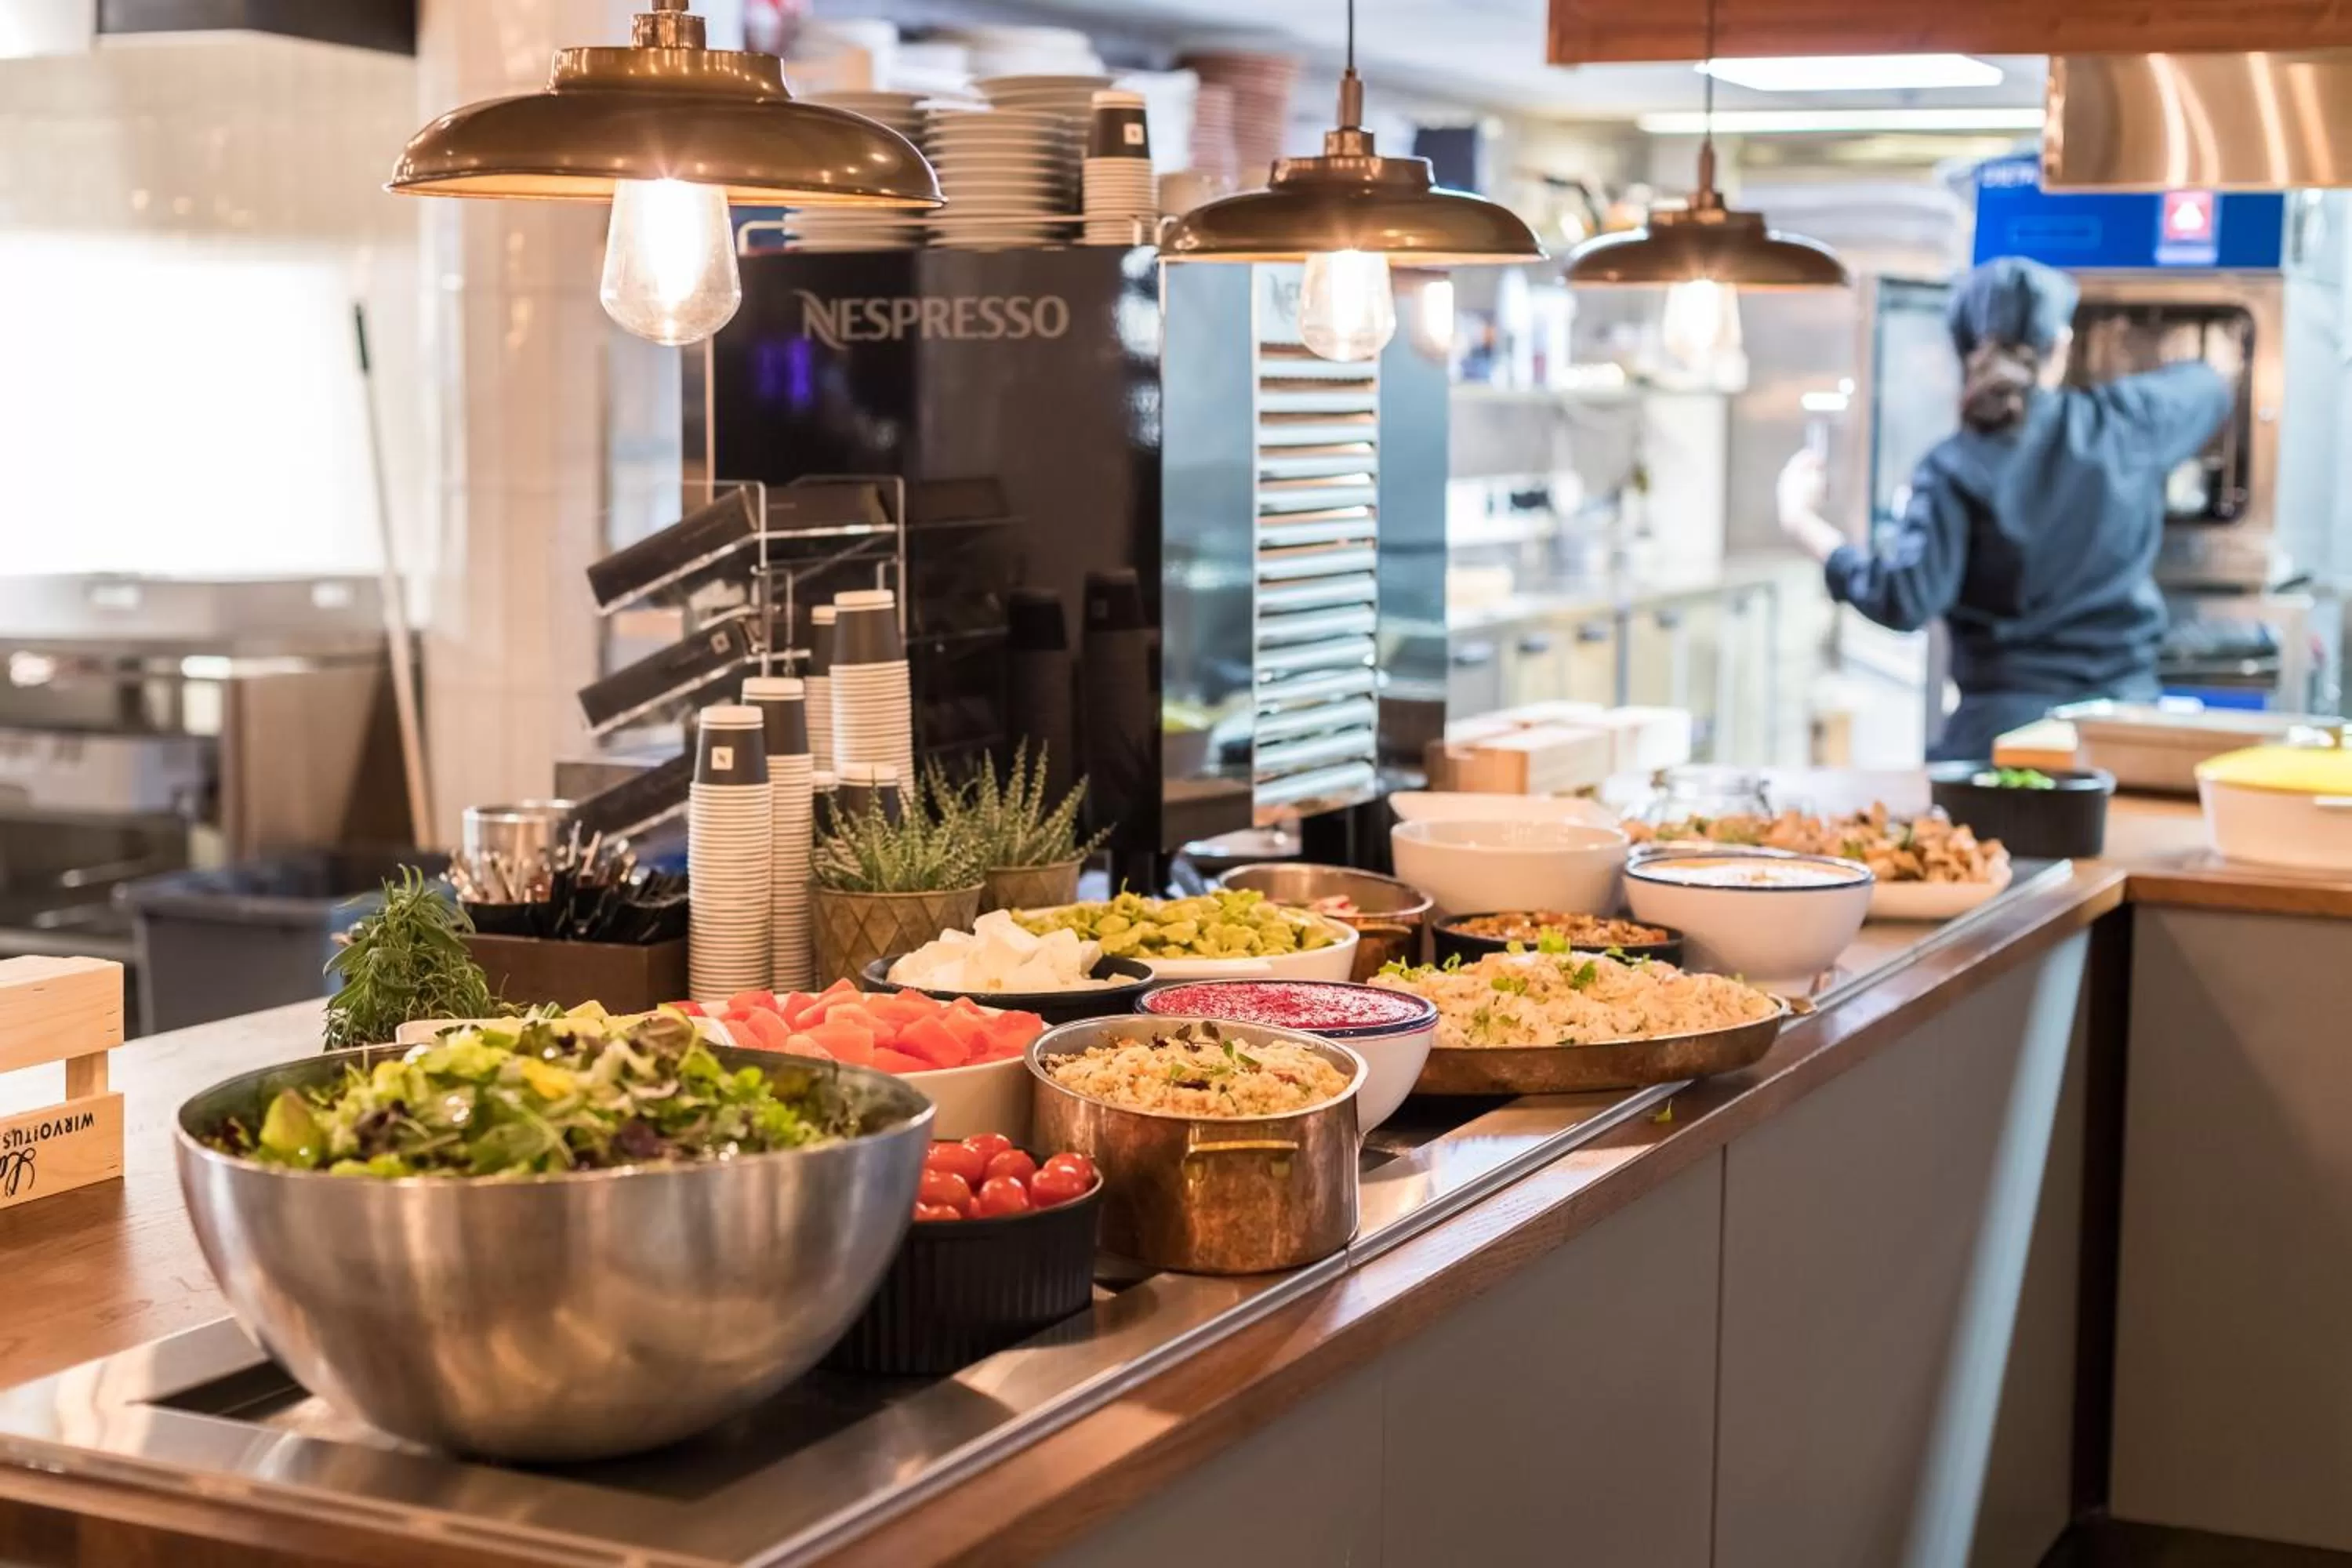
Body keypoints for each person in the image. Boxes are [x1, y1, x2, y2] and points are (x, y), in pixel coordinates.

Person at [1776, 256, 2234, 760]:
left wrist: (1803, 523)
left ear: (1964, 354)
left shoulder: (1951, 468)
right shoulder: (2127, 425)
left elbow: (1904, 599)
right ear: (2061, 345)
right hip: (2121, 735)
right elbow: (2211, 385)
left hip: (2002, 740)